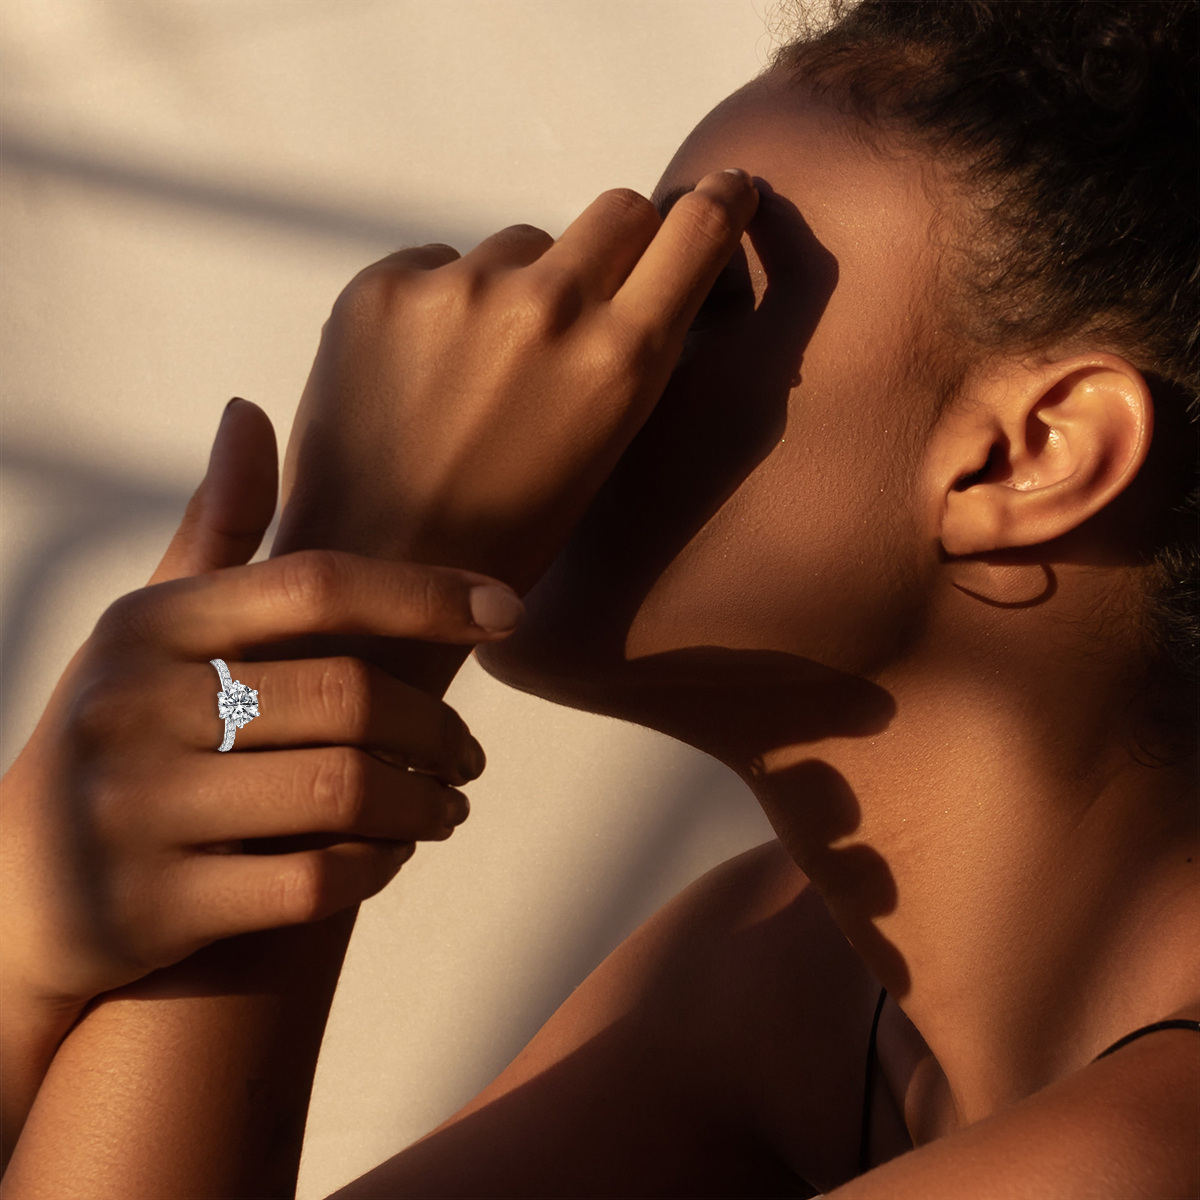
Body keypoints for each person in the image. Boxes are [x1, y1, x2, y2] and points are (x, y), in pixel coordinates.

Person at [1, 1, 1197, 1195]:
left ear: (1033, 453)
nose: (552, 341)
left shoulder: (1139, 1154)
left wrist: (353, 597)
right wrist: (22, 937)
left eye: (696, 296)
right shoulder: (794, 976)